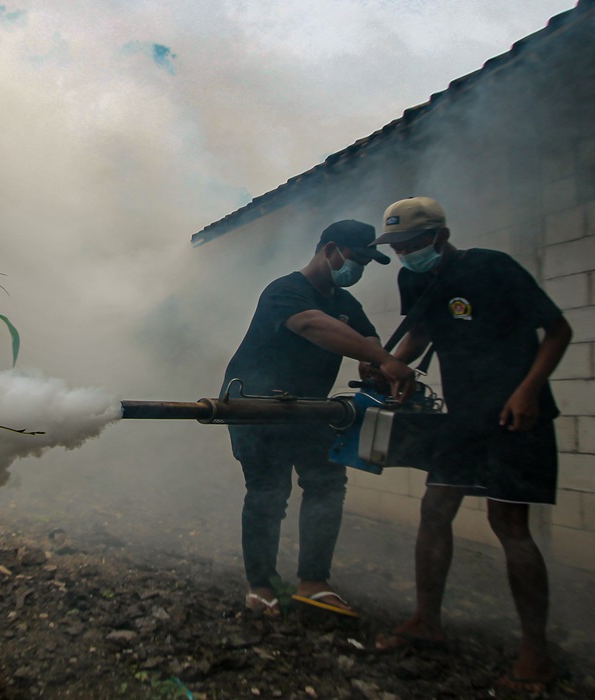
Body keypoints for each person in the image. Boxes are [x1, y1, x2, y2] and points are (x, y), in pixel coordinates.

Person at [371, 197, 572, 694]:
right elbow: (420, 329)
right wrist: (397, 365)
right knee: (435, 508)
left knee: (508, 523)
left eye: (410, 244)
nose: (403, 254)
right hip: (461, 417)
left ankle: (535, 654)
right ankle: (425, 620)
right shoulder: (413, 277)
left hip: (515, 415)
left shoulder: (492, 267)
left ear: (440, 236)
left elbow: (558, 330)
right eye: (395, 247)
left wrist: (528, 390)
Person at [222, 220, 416, 618]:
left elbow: (369, 340)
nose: (357, 270)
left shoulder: (345, 303)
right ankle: (261, 586)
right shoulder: (285, 290)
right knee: (268, 493)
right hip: (256, 405)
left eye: (365, 263)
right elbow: (313, 326)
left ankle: (314, 582)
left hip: (311, 408)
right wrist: (383, 359)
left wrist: (374, 364)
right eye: (356, 259)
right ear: (330, 250)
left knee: (326, 485)